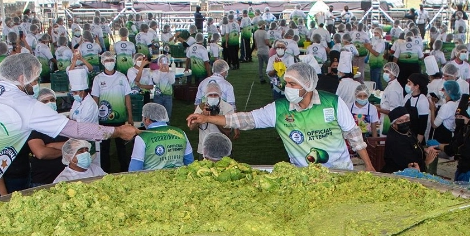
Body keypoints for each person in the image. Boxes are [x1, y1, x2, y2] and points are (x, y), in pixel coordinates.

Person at [0, 53, 137, 215]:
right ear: (23, 77)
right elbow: (75, 129)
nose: (35, 85)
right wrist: (117, 131)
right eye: (34, 80)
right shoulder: (26, 105)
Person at [187, 62, 374, 171]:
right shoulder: (280, 108)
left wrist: (369, 168)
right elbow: (245, 120)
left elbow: (354, 135)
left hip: (340, 171)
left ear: (307, 85)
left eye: (292, 84)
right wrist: (207, 118)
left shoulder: (332, 102)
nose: (287, 89)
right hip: (304, 176)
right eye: (287, 83)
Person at [129, 103, 193, 171]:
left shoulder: (142, 138)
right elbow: (189, 161)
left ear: (147, 119)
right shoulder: (181, 133)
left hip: (152, 179)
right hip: (178, 178)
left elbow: (135, 169)